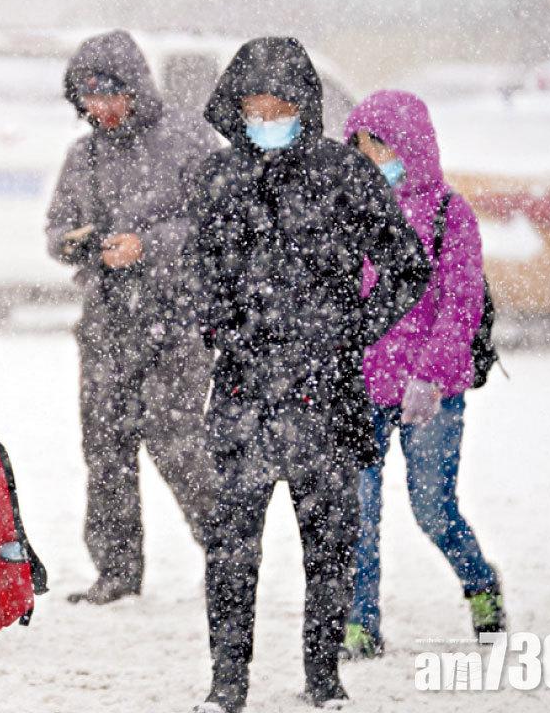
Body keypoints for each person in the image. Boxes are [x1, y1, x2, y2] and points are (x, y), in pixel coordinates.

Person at [185, 37, 432, 712]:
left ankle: (324, 677)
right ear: (234, 107)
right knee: (231, 550)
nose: (268, 115)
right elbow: (196, 275)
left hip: (326, 395)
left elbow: (408, 265)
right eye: (255, 105)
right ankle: (226, 683)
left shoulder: (343, 174)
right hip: (242, 392)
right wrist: (224, 326)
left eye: (282, 104)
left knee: (329, 548)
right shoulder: (214, 177)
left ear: (306, 106)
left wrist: (350, 329)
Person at [45, 29, 219, 605]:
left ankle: (226, 550)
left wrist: (149, 244)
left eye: (111, 95)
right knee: (105, 446)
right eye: (89, 98)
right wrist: (87, 245)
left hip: (178, 319)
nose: (101, 109)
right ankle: (117, 571)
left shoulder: (191, 142)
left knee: (177, 440)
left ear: (137, 89)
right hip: (106, 321)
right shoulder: (84, 156)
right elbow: (57, 232)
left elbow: (220, 226)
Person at [342, 90, 504, 659]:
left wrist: (429, 376)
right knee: (357, 511)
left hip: (429, 392)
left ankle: (481, 584)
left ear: (408, 145)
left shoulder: (447, 213)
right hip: (360, 387)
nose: (368, 158)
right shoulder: (348, 209)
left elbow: (460, 305)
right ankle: (360, 623)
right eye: (359, 147)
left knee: (432, 507)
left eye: (378, 146)